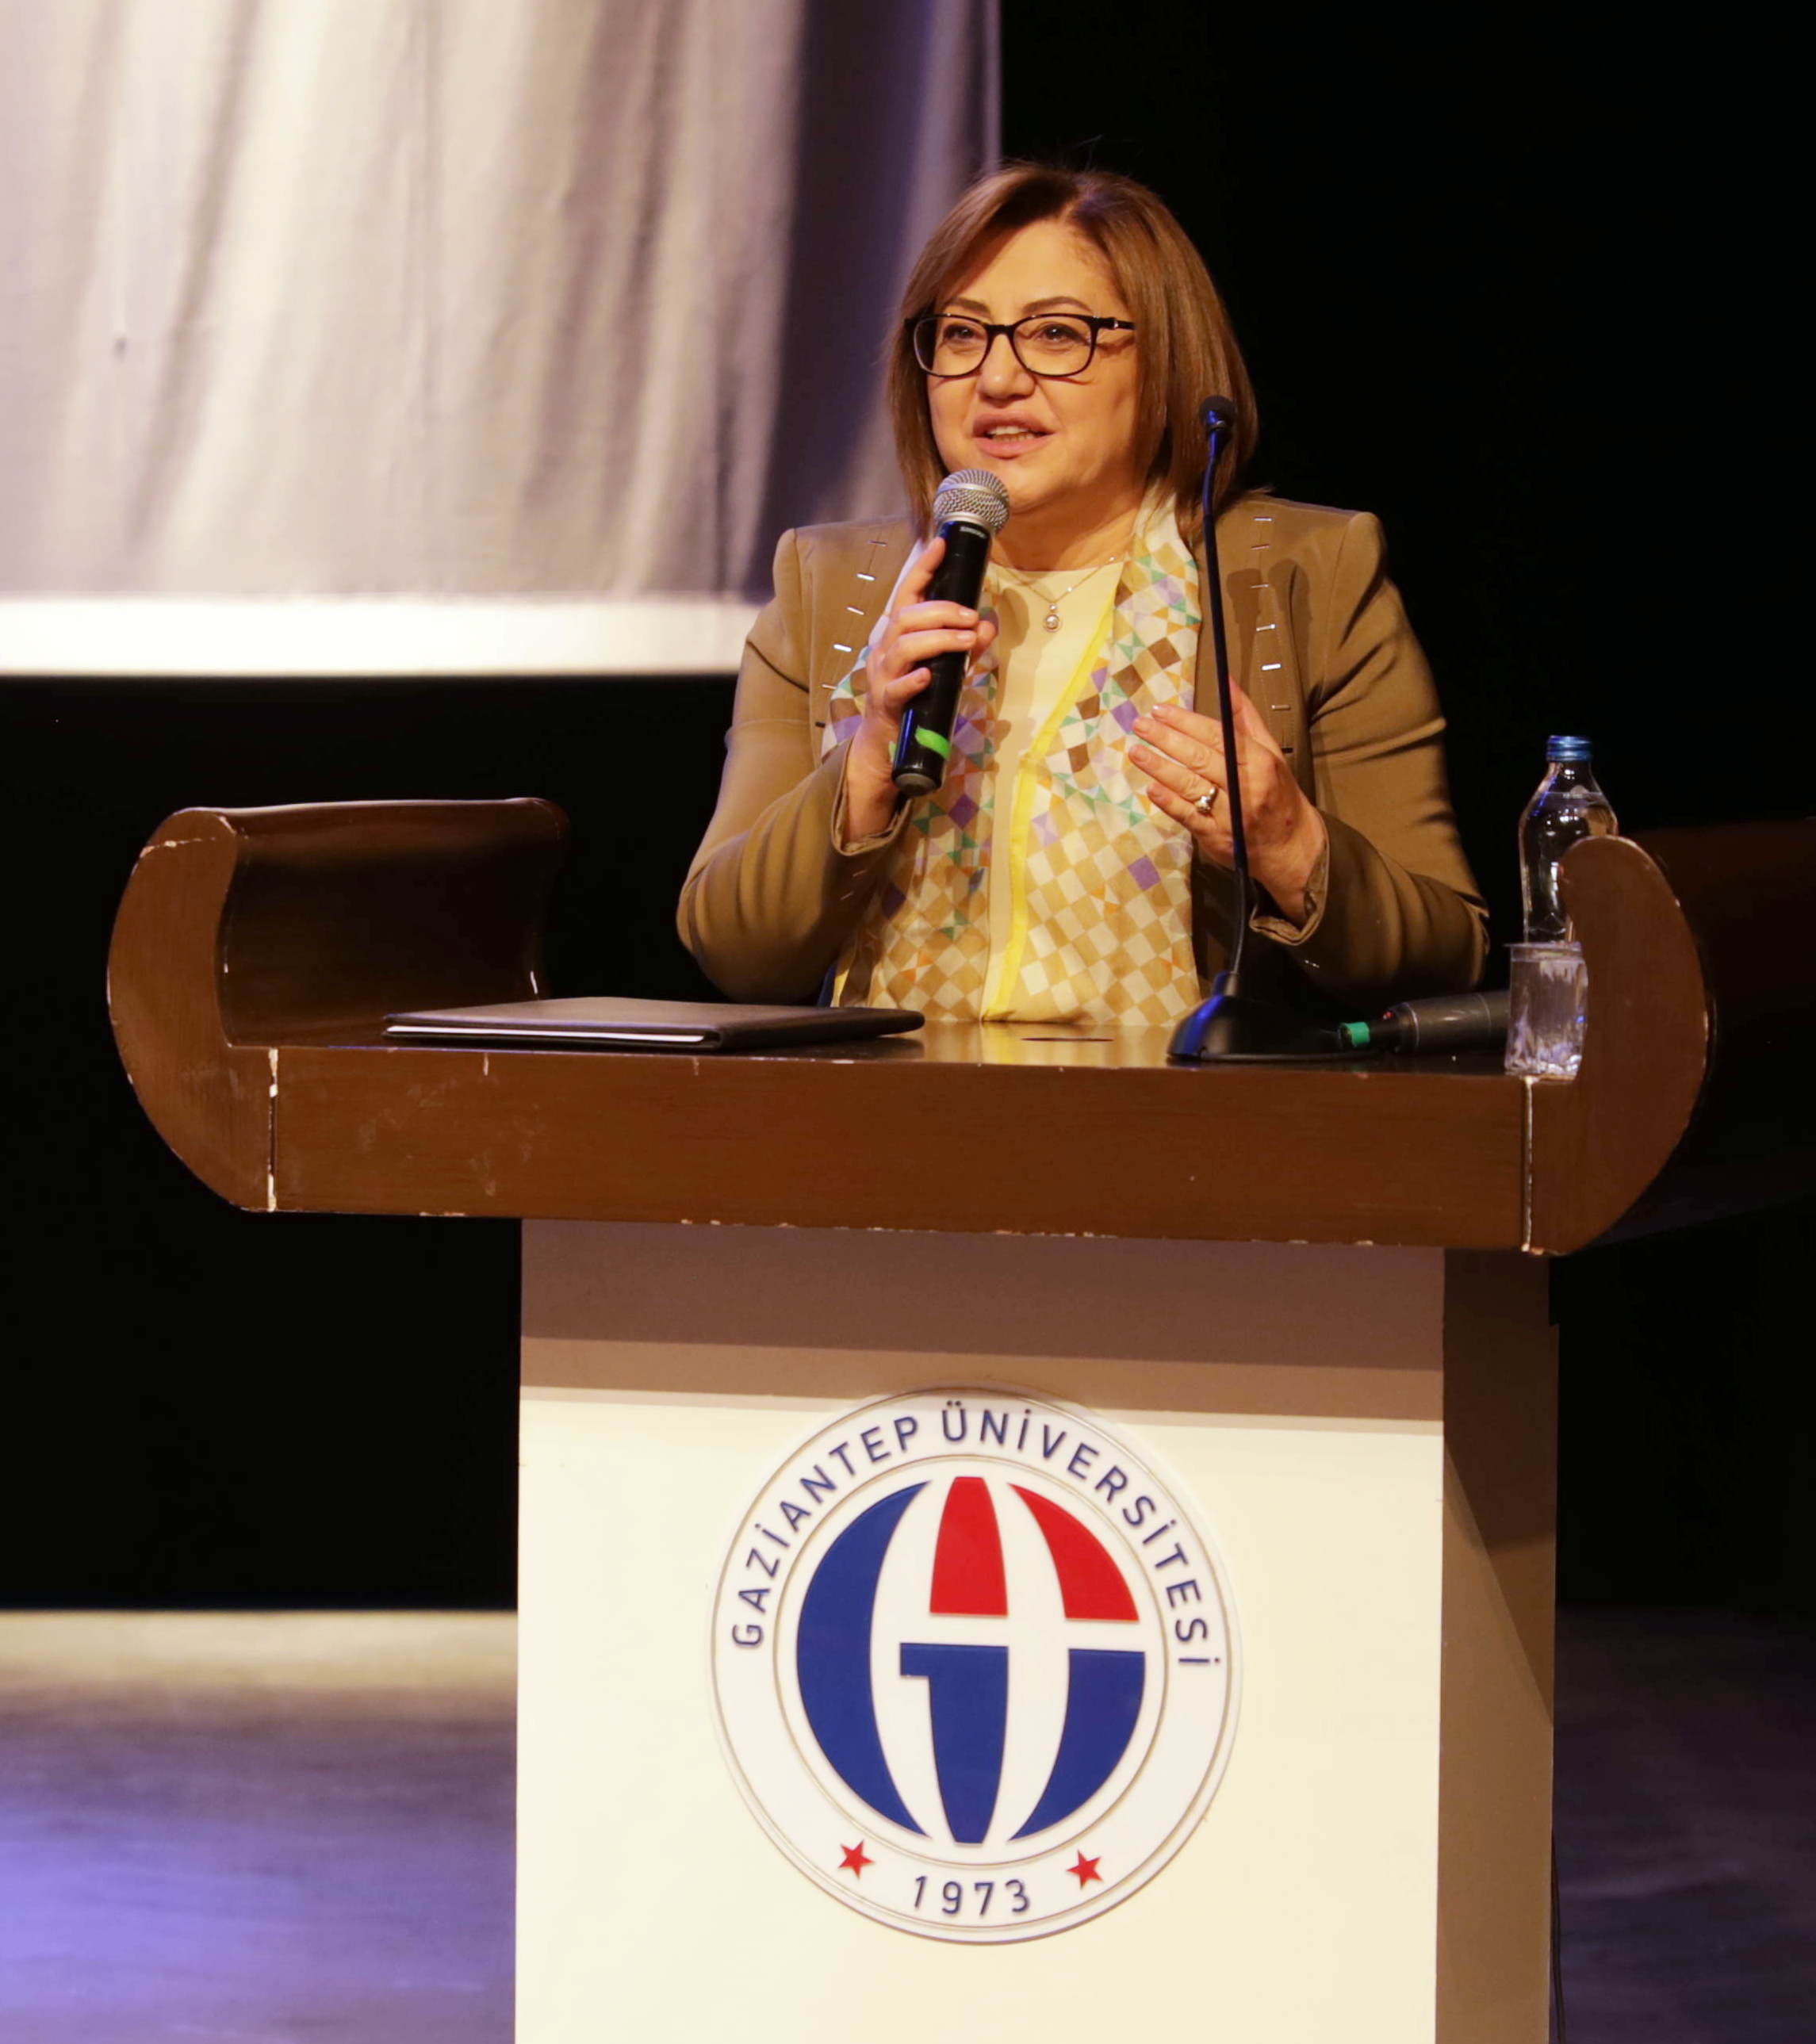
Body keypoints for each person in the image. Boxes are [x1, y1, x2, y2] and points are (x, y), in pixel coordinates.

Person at [679, 164, 1486, 1024]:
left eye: (1057, 334)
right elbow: (736, 948)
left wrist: (1289, 843)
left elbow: (1444, 956)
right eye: (961, 334)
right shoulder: (832, 584)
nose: (996, 379)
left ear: (1164, 361)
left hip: (1181, 1105)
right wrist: (869, 758)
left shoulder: (1304, 573)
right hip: (894, 1100)